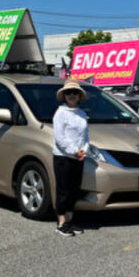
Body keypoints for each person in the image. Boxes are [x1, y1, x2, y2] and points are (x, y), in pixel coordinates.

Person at [52, 80, 88, 237]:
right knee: (63, 190)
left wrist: (84, 150)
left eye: (74, 92)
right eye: (68, 93)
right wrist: (74, 151)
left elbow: (85, 135)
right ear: (64, 96)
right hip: (63, 157)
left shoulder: (81, 113)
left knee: (74, 190)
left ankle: (70, 221)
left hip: (78, 157)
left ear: (79, 96)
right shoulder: (60, 113)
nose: (72, 95)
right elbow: (60, 138)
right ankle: (61, 223)